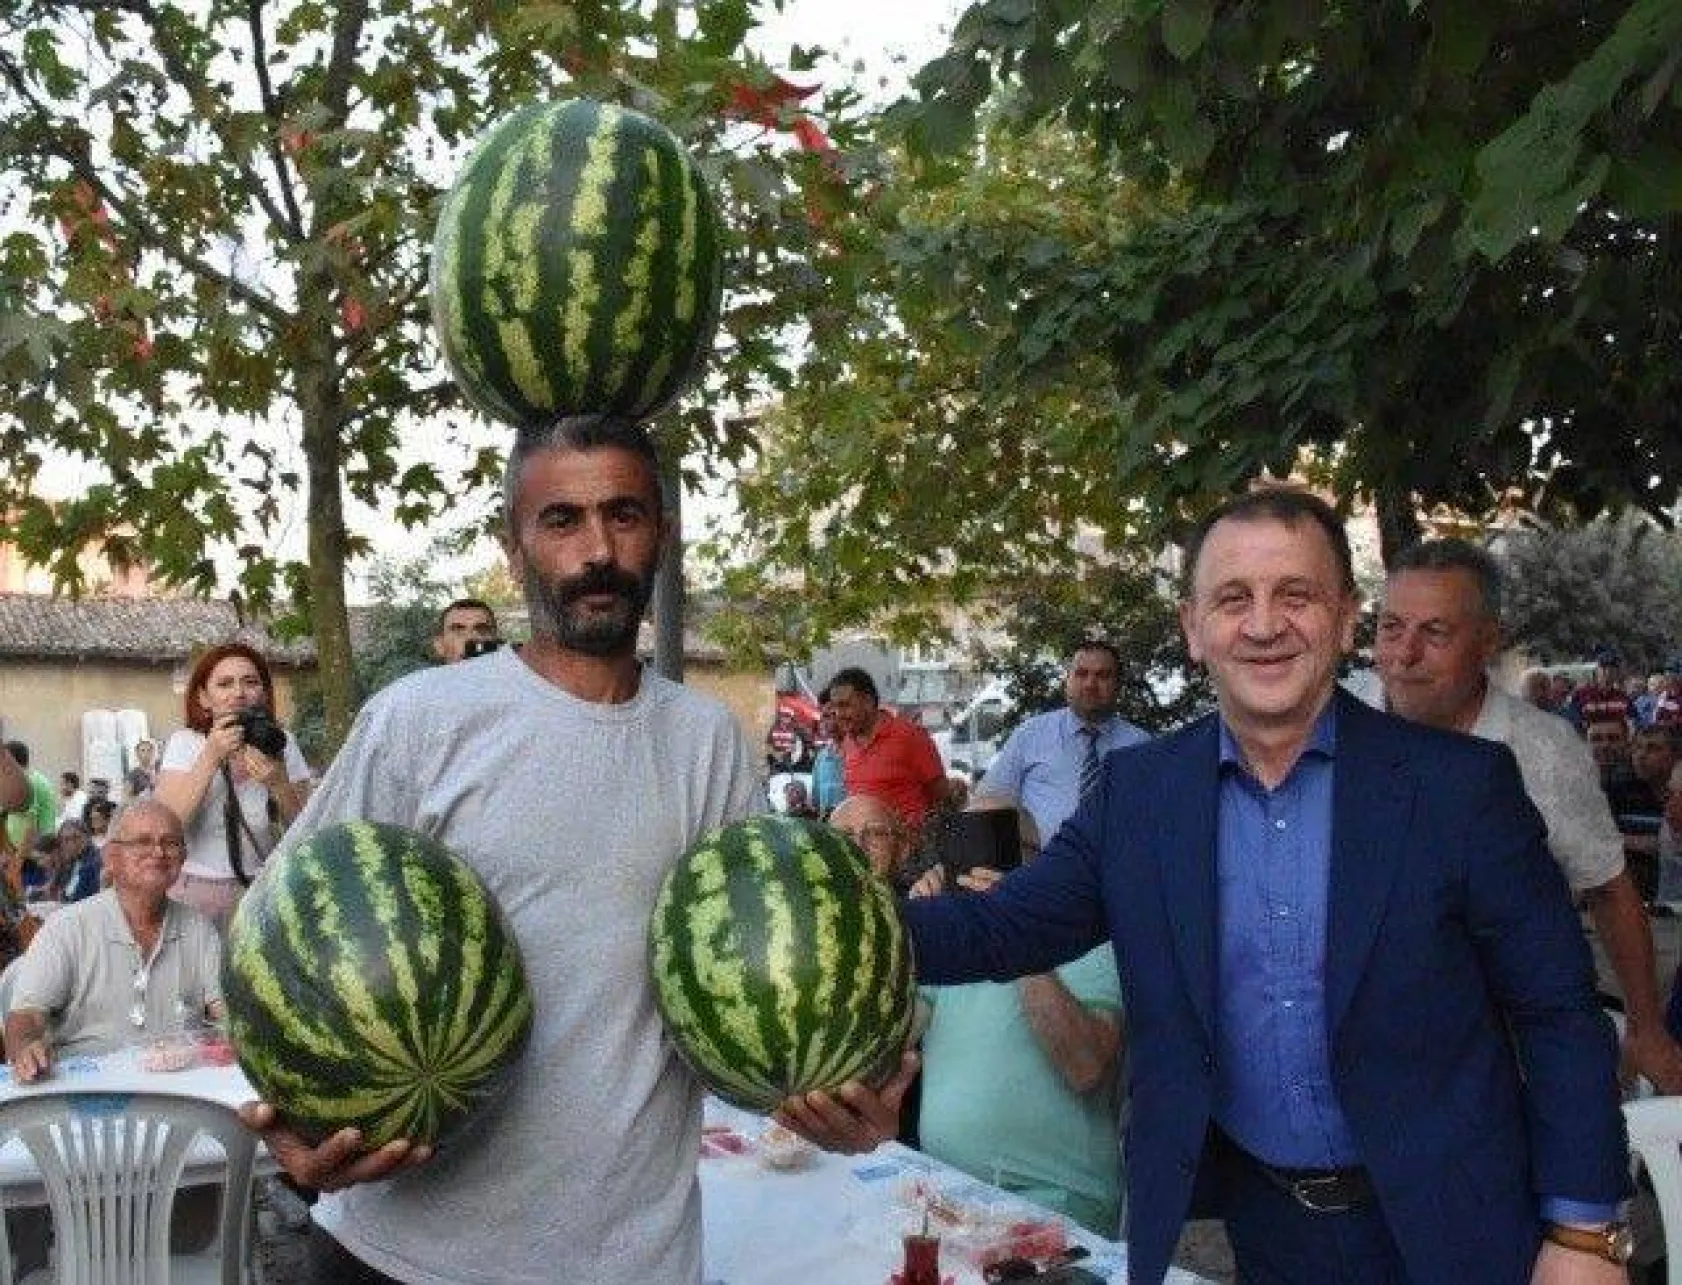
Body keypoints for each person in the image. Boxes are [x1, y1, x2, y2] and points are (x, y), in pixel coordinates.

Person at [788, 490, 1630, 1285]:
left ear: (1343, 621)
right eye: (1232, 599)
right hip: (1270, 1225)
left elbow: (1559, 1011)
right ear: (1194, 628)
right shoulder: (1139, 795)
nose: (1263, 625)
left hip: (1457, 1219)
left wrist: (1585, 1230)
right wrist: (818, 926)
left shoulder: (1462, 786)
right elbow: (1005, 926)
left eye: (1294, 594)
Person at [238, 415, 761, 1285]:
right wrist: (296, 1122)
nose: (597, 548)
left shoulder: (708, 741)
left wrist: (831, 1089)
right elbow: (276, 930)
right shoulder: (420, 720)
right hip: (405, 1258)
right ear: (514, 548)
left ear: (661, 534)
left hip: (637, 1260)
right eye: (562, 520)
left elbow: (745, 991)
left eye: (624, 515)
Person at [1375, 538, 1682, 1093]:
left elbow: (1610, 890)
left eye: (1435, 632)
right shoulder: (1341, 740)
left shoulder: (1540, 750)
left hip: (1512, 1058)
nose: (1404, 654)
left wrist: (1646, 1030)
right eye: (1391, 627)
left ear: (1489, 640)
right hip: (1380, 1056)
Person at [909, 799, 1124, 1236]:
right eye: (964, 843)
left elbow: (1086, 1068)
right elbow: (890, 1045)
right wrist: (910, 942)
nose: (978, 860)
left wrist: (1019, 936)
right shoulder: (952, 940)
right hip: (945, 1192)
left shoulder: (1092, 940)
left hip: (1052, 1198)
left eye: (997, 839)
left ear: (1039, 857)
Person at [5, 800, 223, 1077]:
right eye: (142, 842)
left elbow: (224, 1013)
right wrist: (27, 1046)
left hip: (178, 1085)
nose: (158, 852)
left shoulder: (200, 930)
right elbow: (27, 1015)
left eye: (171, 843)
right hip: (86, 1088)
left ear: (182, 857)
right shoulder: (68, 928)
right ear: (111, 857)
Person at [154, 642, 312, 933]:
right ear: (204, 697)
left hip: (266, 892)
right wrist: (210, 757)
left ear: (263, 693)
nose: (238, 693)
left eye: (250, 682)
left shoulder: (283, 743)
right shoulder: (186, 743)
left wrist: (279, 783)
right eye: (225, 684)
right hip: (196, 893)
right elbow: (167, 827)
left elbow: (307, 831)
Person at [976, 640, 1149, 843]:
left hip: (1117, 867)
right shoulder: (1030, 735)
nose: (1090, 684)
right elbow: (989, 802)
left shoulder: (1141, 745)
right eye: (1081, 674)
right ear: (1067, 680)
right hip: (1041, 865)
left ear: (1118, 685)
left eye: (1102, 676)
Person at [829, 667, 951, 834]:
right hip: (866, 849)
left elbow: (943, 796)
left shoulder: (910, 736)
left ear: (868, 702)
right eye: (835, 707)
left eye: (844, 705)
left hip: (911, 851)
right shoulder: (848, 741)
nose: (838, 714)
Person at [831, 793, 917, 883]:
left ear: (902, 848)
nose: (858, 844)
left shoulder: (920, 893)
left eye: (875, 833)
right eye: (844, 835)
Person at [45, 818, 103, 904]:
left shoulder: (94, 862)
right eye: (65, 839)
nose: (71, 843)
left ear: (87, 837)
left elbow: (85, 898)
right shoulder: (70, 862)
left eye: (76, 837)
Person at [810, 691, 847, 817]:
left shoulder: (862, 756)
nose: (829, 722)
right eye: (825, 716)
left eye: (833, 715)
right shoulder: (821, 758)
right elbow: (816, 803)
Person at [431, 597, 501, 663]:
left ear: (495, 638)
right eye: (458, 630)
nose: (471, 638)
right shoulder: (424, 675)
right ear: (439, 645)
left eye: (481, 630)